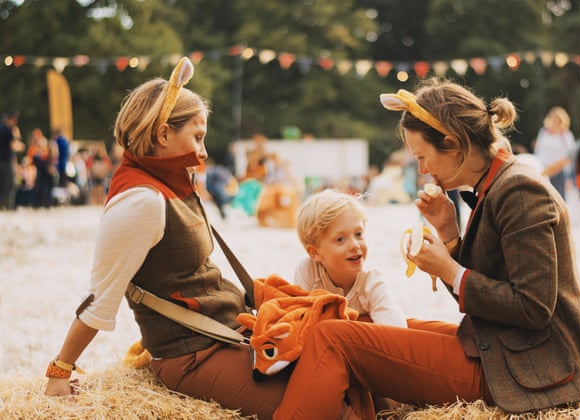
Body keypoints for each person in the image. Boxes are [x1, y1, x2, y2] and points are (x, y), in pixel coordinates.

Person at [274, 79, 580, 418]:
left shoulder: (519, 191)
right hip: (510, 346)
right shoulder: (501, 183)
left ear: (453, 144)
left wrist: (448, 269)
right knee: (366, 322)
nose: (423, 169)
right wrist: (449, 234)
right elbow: (496, 286)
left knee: (332, 338)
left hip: (532, 367)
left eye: (423, 157)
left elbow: (533, 306)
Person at [44, 58, 289, 419]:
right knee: (319, 400)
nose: (203, 152)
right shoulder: (142, 200)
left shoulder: (169, 184)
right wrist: (61, 371)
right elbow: (100, 297)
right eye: (198, 137)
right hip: (195, 350)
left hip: (226, 328)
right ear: (162, 135)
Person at [294, 188, 406, 327]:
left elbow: (396, 329)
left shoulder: (372, 282)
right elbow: (299, 320)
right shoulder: (308, 271)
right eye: (340, 239)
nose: (355, 245)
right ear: (315, 253)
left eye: (358, 234)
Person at [534, 106, 577, 200]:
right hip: (544, 170)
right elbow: (538, 150)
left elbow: (571, 156)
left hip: (559, 172)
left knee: (559, 198)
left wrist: (569, 175)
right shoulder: (544, 132)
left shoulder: (566, 135)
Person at [0, 110, 25, 210]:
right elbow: (13, 145)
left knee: (2, 183)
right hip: (6, 160)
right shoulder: (9, 130)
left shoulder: (1, 128)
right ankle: (8, 205)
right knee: (10, 183)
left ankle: (2, 204)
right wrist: (21, 144)